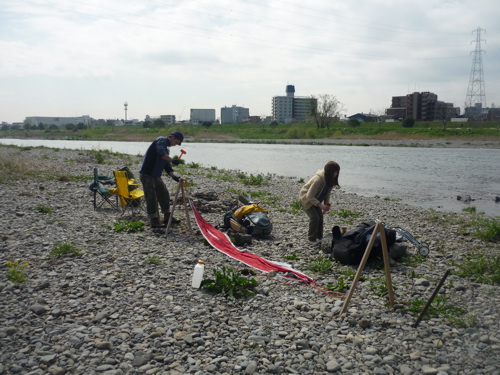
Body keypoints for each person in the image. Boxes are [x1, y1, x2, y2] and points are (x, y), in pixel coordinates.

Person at [139, 131, 184, 228]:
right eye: (176, 142)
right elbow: (160, 152)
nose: (175, 144)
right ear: (172, 137)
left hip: (156, 176)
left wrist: (174, 176)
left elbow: (166, 166)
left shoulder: (167, 150)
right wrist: (173, 160)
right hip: (147, 174)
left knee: (164, 193)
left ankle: (167, 217)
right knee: (151, 198)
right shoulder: (161, 140)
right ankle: (154, 221)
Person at [299, 161, 340, 245]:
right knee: (315, 218)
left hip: (316, 201)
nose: (336, 174)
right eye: (335, 172)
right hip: (306, 200)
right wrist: (320, 205)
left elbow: (327, 194)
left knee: (320, 218)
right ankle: (311, 239)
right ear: (330, 171)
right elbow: (309, 195)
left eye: (337, 172)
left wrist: (327, 205)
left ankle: (319, 237)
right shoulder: (318, 179)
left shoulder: (329, 180)